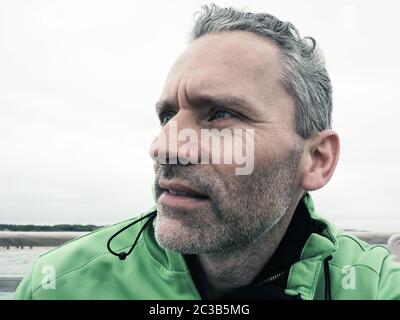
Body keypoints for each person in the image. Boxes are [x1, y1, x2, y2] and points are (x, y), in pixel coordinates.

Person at [14, 4, 400, 300]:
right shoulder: (59, 283)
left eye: (220, 114)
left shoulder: (374, 285)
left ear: (316, 160)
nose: (163, 147)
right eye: (167, 116)